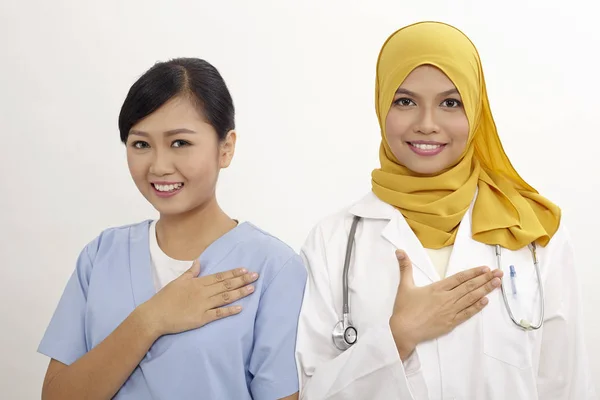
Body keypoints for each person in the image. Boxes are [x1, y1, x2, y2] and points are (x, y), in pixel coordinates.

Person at [295, 22, 597, 399]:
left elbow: (567, 384)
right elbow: (308, 391)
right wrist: (398, 337)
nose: (426, 124)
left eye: (450, 103)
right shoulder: (333, 241)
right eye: (405, 101)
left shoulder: (533, 233)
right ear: (380, 103)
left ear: (475, 108)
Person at [38, 58, 305, 400]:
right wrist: (151, 319)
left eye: (180, 143)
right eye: (140, 144)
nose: (159, 166)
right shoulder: (101, 255)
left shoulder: (274, 269)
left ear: (226, 148)